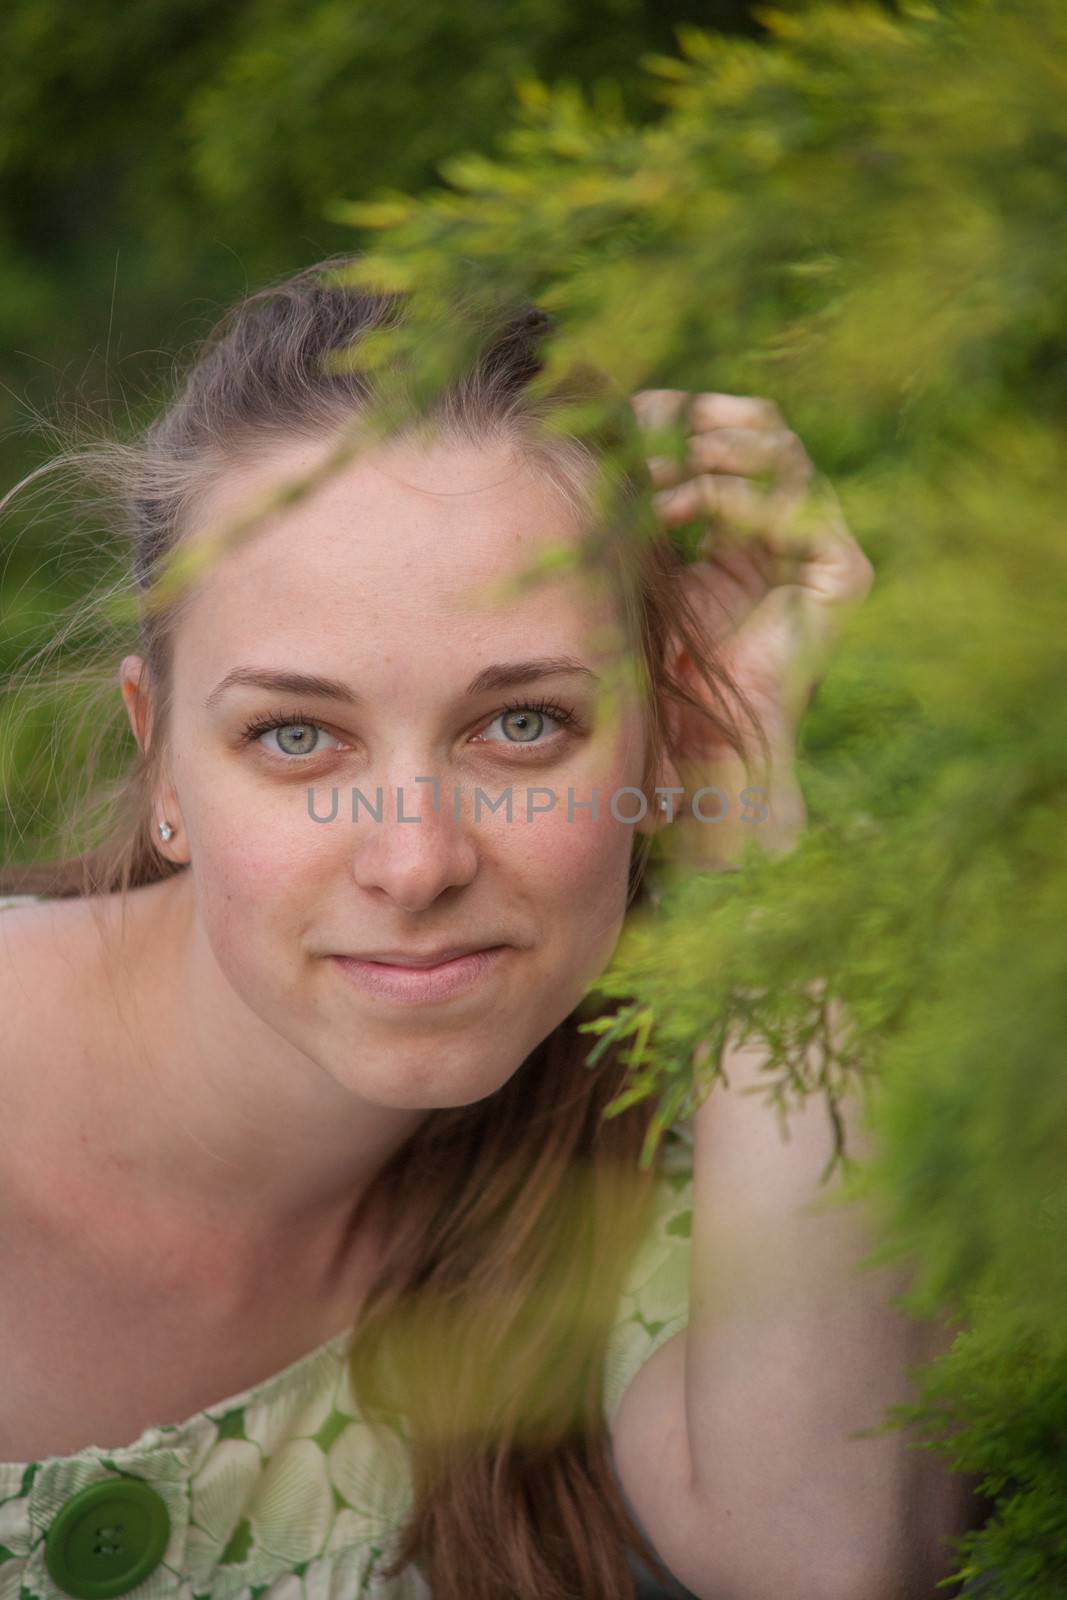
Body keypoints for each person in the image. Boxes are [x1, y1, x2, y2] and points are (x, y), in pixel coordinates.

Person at [0, 255, 978, 1600]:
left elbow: (832, 1559)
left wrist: (743, 793)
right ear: (162, 765)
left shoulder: (628, 1163)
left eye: (524, 725)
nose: (415, 862)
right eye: (296, 736)